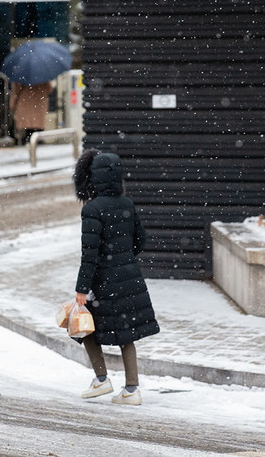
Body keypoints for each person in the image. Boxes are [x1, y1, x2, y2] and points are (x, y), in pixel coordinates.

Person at [73, 148, 160, 405]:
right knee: (127, 331)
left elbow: (89, 255)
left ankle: (101, 379)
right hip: (129, 276)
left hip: (103, 281)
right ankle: (132, 389)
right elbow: (140, 240)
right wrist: (124, 257)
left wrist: (81, 289)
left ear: (93, 178)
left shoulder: (92, 209)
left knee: (84, 327)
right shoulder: (127, 204)